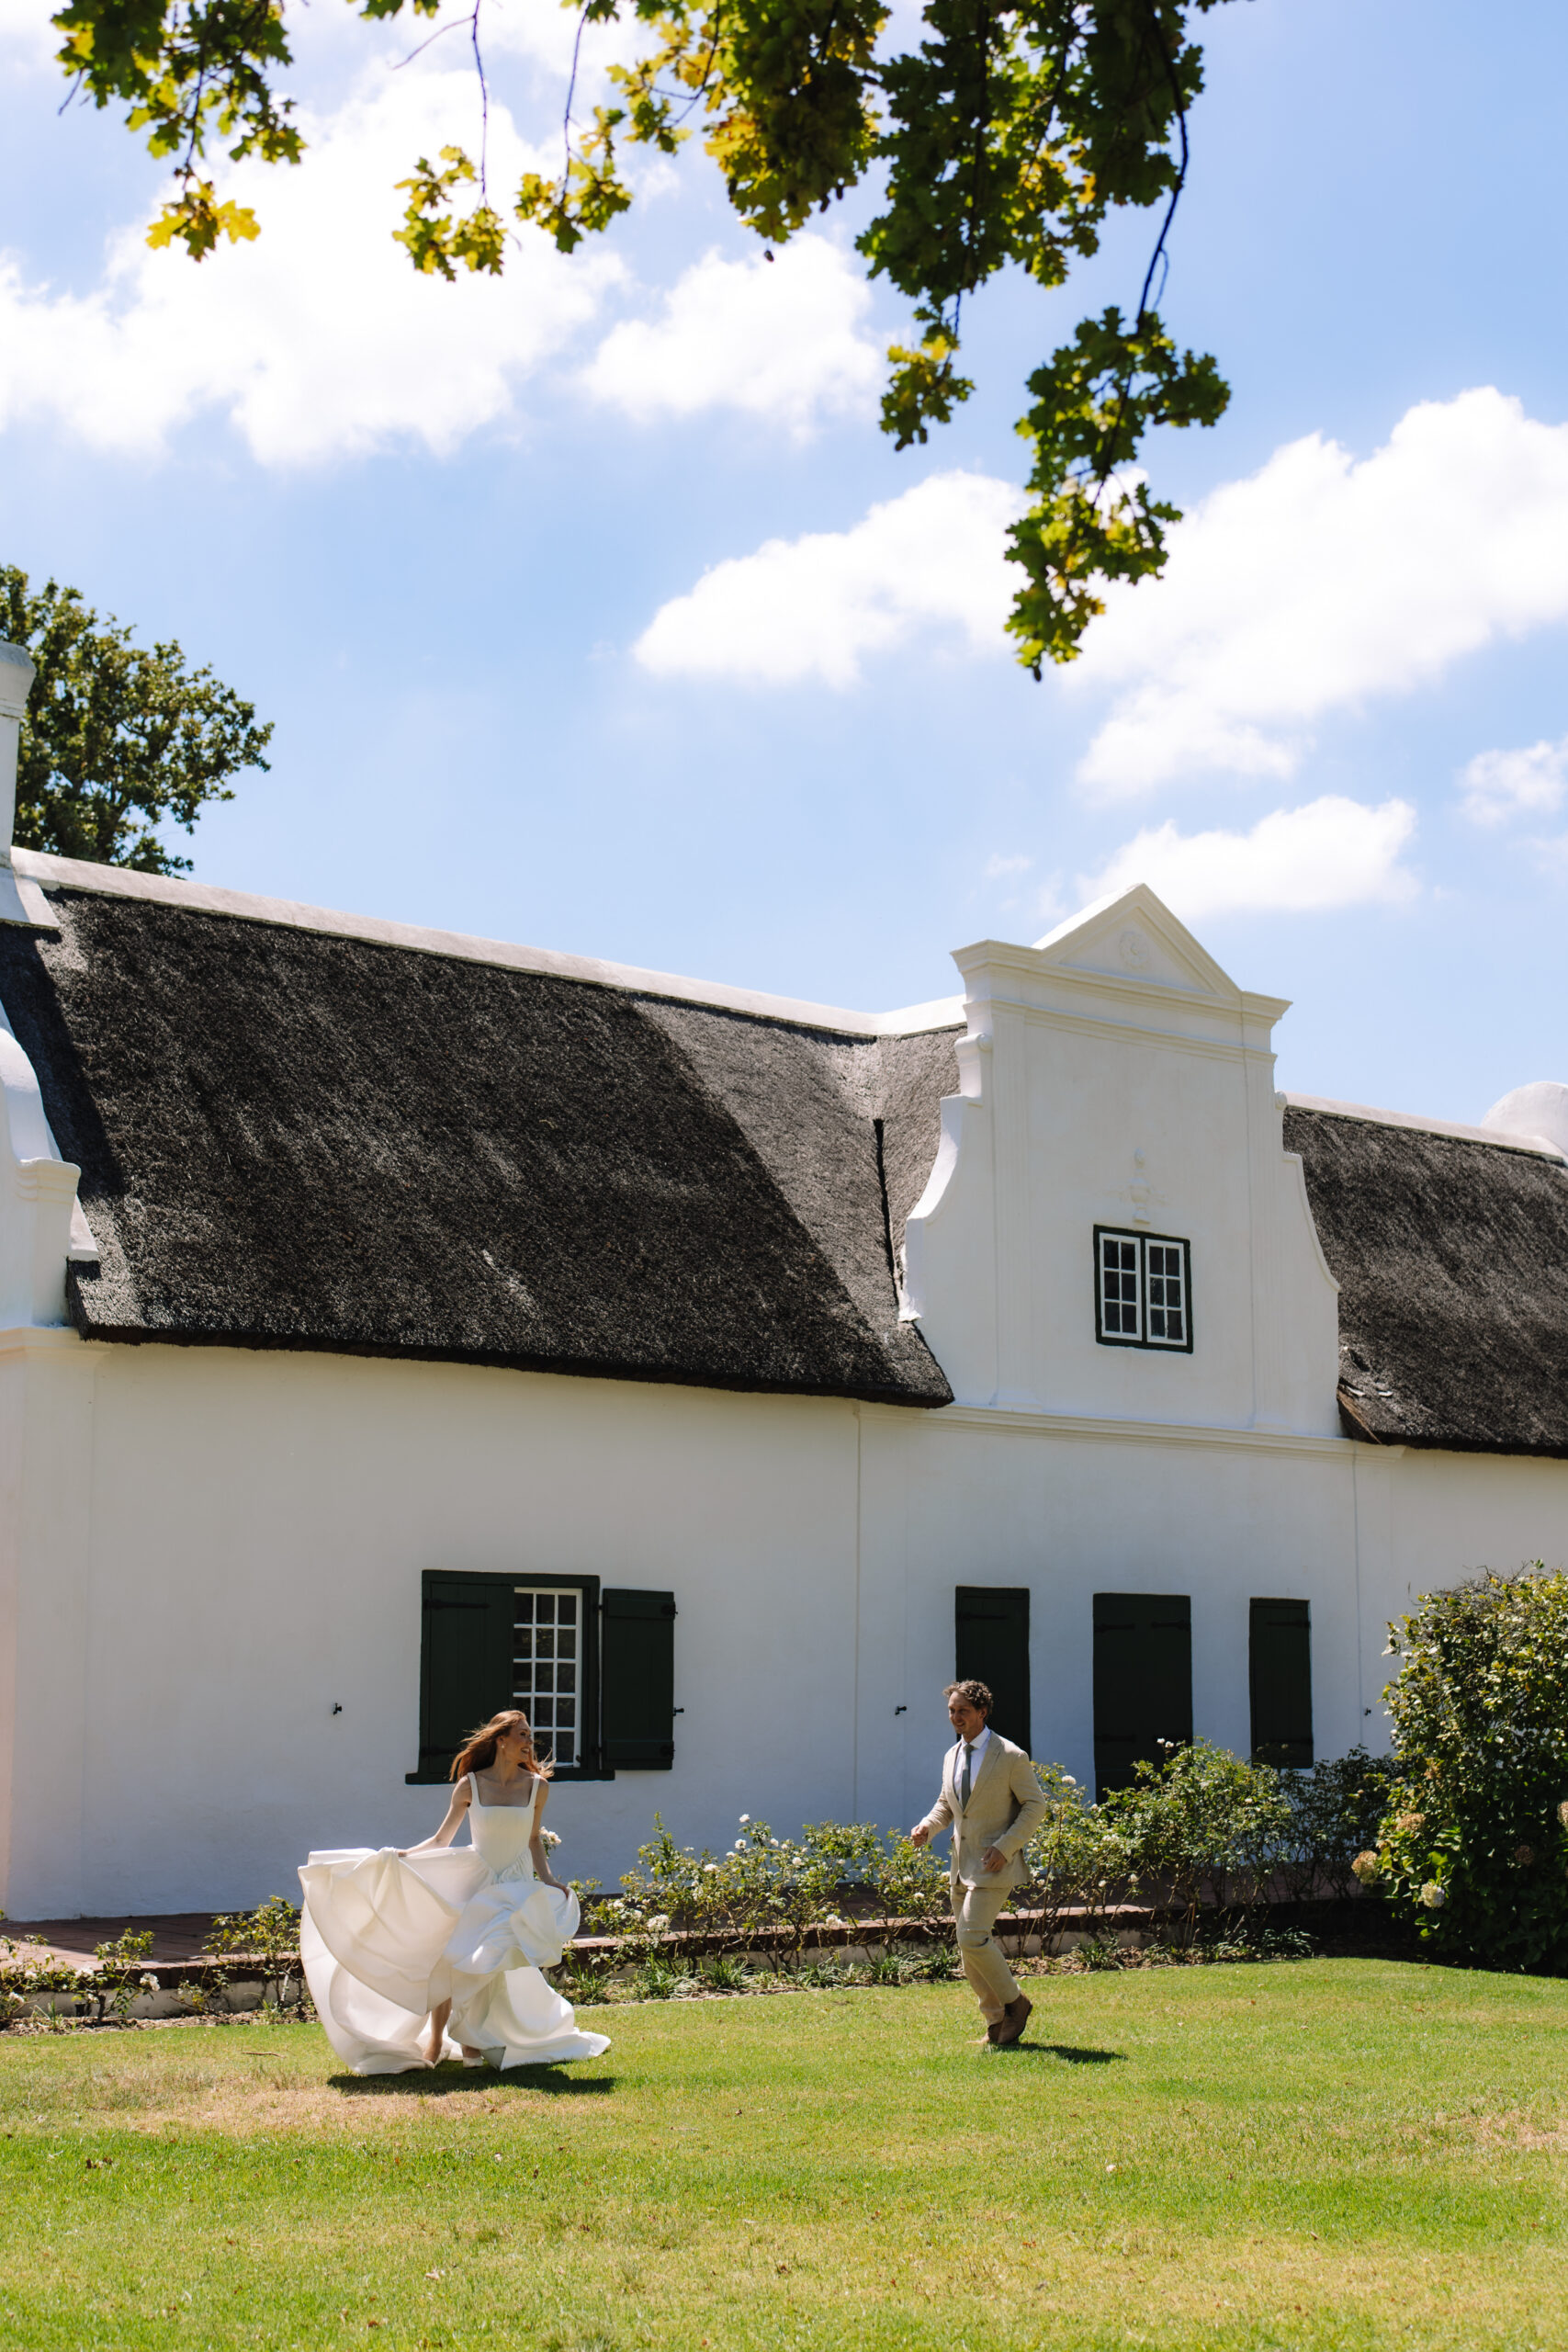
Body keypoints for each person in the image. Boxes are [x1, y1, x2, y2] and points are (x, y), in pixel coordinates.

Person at [298, 1709, 611, 2076]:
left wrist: (549, 1880)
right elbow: (442, 1838)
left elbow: (531, 1839)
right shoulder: (470, 1785)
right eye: (522, 1735)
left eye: (530, 1735)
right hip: (475, 1882)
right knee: (456, 1960)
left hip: (515, 1885)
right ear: (501, 1740)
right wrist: (403, 1857)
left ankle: (481, 2040)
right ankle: (443, 2042)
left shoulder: (538, 1787)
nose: (530, 1741)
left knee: (497, 1962)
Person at [910, 1679, 1049, 2047]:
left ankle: (1016, 2004)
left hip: (994, 1864)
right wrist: (928, 1825)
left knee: (972, 1936)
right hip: (960, 1863)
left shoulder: (1011, 1756)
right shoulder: (951, 1756)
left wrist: (1006, 1847)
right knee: (968, 1947)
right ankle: (995, 2025)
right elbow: (947, 1805)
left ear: (982, 1712)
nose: (955, 1717)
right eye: (952, 1711)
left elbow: (1036, 1805)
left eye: (963, 1711)